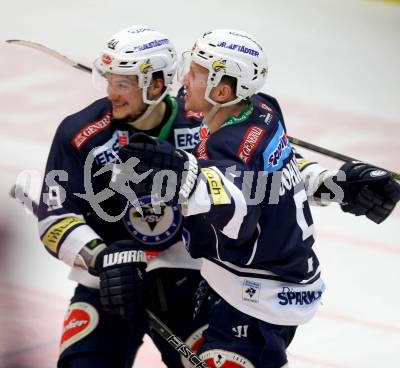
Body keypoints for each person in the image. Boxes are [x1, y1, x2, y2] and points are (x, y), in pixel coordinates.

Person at [116, 28, 400, 368]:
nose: (184, 78)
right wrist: (332, 183)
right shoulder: (261, 109)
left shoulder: (230, 144)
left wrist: (186, 175)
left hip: (257, 298)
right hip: (258, 284)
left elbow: (239, 206)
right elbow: (278, 172)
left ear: (221, 90)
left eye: (194, 74)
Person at [37, 25, 206, 368]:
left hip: (191, 281)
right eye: (109, 80)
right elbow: (54, 217)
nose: (112, 93)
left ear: (157, 85)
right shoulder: (81, 132)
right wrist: (102, 259)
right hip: (108, 281)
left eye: (124, 84)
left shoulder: (204, 124)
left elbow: (251, 179)